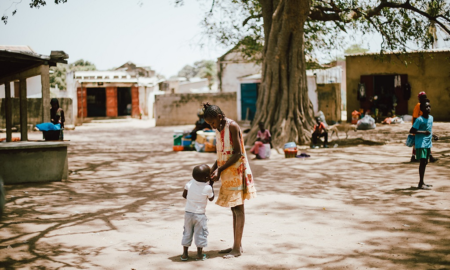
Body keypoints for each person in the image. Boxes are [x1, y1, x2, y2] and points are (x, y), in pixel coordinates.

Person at [203, 102, 257, 258]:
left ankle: (236, 248)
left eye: (212, 122)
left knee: (239, 209)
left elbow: (238, 153)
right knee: (234, 209)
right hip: (227, 173)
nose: (212, 126)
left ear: (219, 117)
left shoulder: (232, 127)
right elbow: (221, 155)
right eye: (209, 124)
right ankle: (236, 245)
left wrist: (219, 169)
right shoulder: (219, 129)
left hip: (237, 172)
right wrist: (213, 169)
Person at [181, 164, 215, 261]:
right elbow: (211, 198)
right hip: (200, 215)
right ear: (207, 177)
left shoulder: (189, 183)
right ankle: (199, 254)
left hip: (188, 213)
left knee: (187, 232)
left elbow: (184, 195)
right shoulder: (207, 187)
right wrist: (211, 184)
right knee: (200, 233)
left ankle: (184, 254)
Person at [409, 99, 439, 190]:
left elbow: (429, 129)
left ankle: (422, 182)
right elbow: (412, 130)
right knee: (422, 162)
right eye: (426, 107)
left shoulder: (431, 118)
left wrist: (433, 135)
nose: (428, 108)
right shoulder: (419, 119)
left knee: (425, 162)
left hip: (428, 143)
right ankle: (420, 183)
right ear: (421, 109)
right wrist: (423, 132)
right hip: (421, 143)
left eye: (429, 106)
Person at [411, 92, 437, 162]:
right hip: (418, 126)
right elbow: (415, 117)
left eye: (425, 96)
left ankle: (429, 156)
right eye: (423, 97)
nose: (424, 98)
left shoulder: (426, 107)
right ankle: (414, 156)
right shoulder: (419, 105)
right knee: (417, 142)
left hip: (423, 126)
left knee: (426, 141)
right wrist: (415, 126)